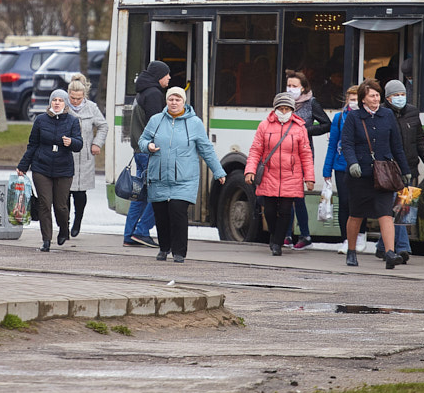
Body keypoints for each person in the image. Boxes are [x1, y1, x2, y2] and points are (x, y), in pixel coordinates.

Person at [139, 86, 227, 263]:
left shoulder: (194, 123)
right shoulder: (156, 120)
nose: (174, 102)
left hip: (184, 178)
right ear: (166, 101)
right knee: (161, 215)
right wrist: (147, 146)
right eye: (171, 99)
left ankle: (179, 251)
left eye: (178, 99)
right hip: (159, 176)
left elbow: (206, 149)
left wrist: (218, 171)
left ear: (184, 102)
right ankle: (164, 248)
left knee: (177, 212)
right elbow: (143, 139)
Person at [339, 78, 409, 269]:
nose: (376, 99)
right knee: (356, 215)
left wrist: (405, 171)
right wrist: (352, 163)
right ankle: (351, 252)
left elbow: (397, 145)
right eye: (372, 96)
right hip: (359, 176)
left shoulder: (387, 115)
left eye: (378, 95)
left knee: (386, 214)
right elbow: (347, 143)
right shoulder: (354, 117)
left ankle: (389, 253)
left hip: (384, 174)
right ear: (363, 99)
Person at [245, 92, 315, 256]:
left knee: (285, 210)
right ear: (275, 109)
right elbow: (256, 150)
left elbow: (306, 154)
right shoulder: (264, 126)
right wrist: (250, 170)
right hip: (269, 174)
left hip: (291, 176)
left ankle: (277, 243)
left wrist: (309, 178)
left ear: (292, 110)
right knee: (269, 211)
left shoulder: (299, 128)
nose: (283, 112)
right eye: (280, 108)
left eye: (287, 109)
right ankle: (275, 235)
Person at [376, 79, 424, 264]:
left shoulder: (412, 112)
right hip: (390, 169)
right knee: (400, 208)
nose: (400, 98)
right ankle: (402, 248)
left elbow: (420, 140)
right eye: (396, 95)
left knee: (404, 207)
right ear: (387, 98)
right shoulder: (382, 114)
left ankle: (382, 247)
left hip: (410, 169)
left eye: (402, 95)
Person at [17, 89, 82, 251]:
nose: (57, 103)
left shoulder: (72, 121)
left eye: (61, 100)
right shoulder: (40, 120)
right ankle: (46, 240)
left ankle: (64, 230)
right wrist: (23, 166)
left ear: (65, 103)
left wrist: (71, 142)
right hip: (42, 167)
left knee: (60, 206)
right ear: (50, 102)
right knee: (45, 204)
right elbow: (32, 145)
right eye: (55, 100)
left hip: (64, 168)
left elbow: (79, 144)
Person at [124, 60, 170, 247]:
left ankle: (130, 235)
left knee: (141, 195)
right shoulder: (154, 94)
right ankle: (142, 231)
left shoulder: (143, 91)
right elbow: (156, 125)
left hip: (140, 150)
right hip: (150, 152)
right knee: (159, 194)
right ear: (159, 76)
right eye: (167, 74)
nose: (169, 78)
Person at [285, 69, 330, 249]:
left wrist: (305, 130)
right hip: (283, 156)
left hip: (302, 155)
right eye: (288, 85)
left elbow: (327, 124)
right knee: (285, 196)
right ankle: (286, 235)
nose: (290, 89)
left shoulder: (311, 104)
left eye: (294, 86)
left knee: (297, 196)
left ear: (303, 88)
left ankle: (305, 235)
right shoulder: (283, 103)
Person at [66, 73, 108, 238]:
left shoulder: (91, 107)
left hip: (84, 157)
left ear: (84, 95)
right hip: (65, 156)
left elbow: (103, 126)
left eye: (78, 98)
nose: (75, 101)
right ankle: (65, 224)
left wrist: (97, 143)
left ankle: (78, 220)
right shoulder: (63, 106)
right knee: (64, 193)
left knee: (80, 192)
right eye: (72, 98)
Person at [322, 84, 362, 253]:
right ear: (346, 100)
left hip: (361, 167)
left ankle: (361, 236)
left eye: (357, 100)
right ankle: (345, 239)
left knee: (359, 202)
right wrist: (326, 170)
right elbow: (332, 145)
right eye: (351, 99)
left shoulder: (366, 117)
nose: (354, 103)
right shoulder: (339, 118)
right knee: (344, 202)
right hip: (341, 167)